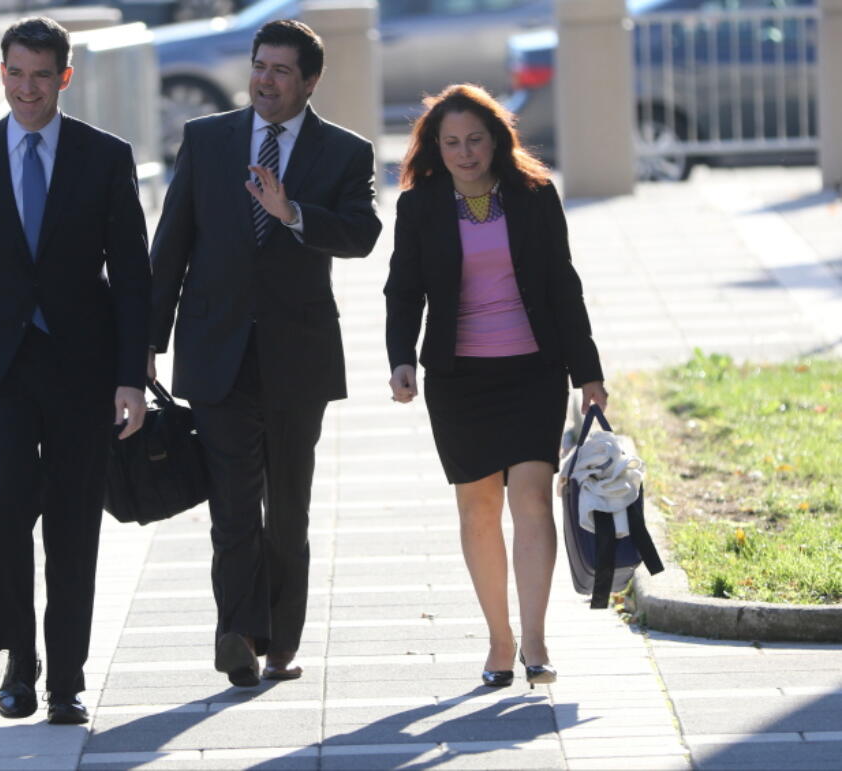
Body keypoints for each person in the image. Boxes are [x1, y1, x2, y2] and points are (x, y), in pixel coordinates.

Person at [0, 16, 150, 724]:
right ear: (2, 73)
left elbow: (135, 275)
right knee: (2, 515)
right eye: (15, 73)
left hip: (82, 366)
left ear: (65, 76)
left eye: (40, 75)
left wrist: (131, 376)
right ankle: (19, 661)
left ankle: (66, 681)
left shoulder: (104, 157)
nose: (27, 89)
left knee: (74, 523)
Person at [149, 19, 382, 687]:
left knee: (287, 507)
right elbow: (170, 250)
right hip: (215, 346)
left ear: (309, 82)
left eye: (282, 71)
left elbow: (363, 234)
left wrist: (294, 215)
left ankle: (280, 638)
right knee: (231, 502)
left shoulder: (343, 152)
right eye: (260, 66)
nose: (266, 80)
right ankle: (238, 633)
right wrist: (145, 345)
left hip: (296, 356)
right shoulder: (205, 139)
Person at [384, 84, 607, 689]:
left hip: (533, 370)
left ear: (497, 139)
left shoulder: (533, 196)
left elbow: (563, 285)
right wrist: (400, 358)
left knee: (531, 499)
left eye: (475, 139)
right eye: (451, 142)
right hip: (459, 381)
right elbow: (403, 290)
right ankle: (499, 639)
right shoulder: (419, 205)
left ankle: (535, 638)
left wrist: (588, 372)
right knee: (478, 509)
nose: (464, 152)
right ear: (435, 147)